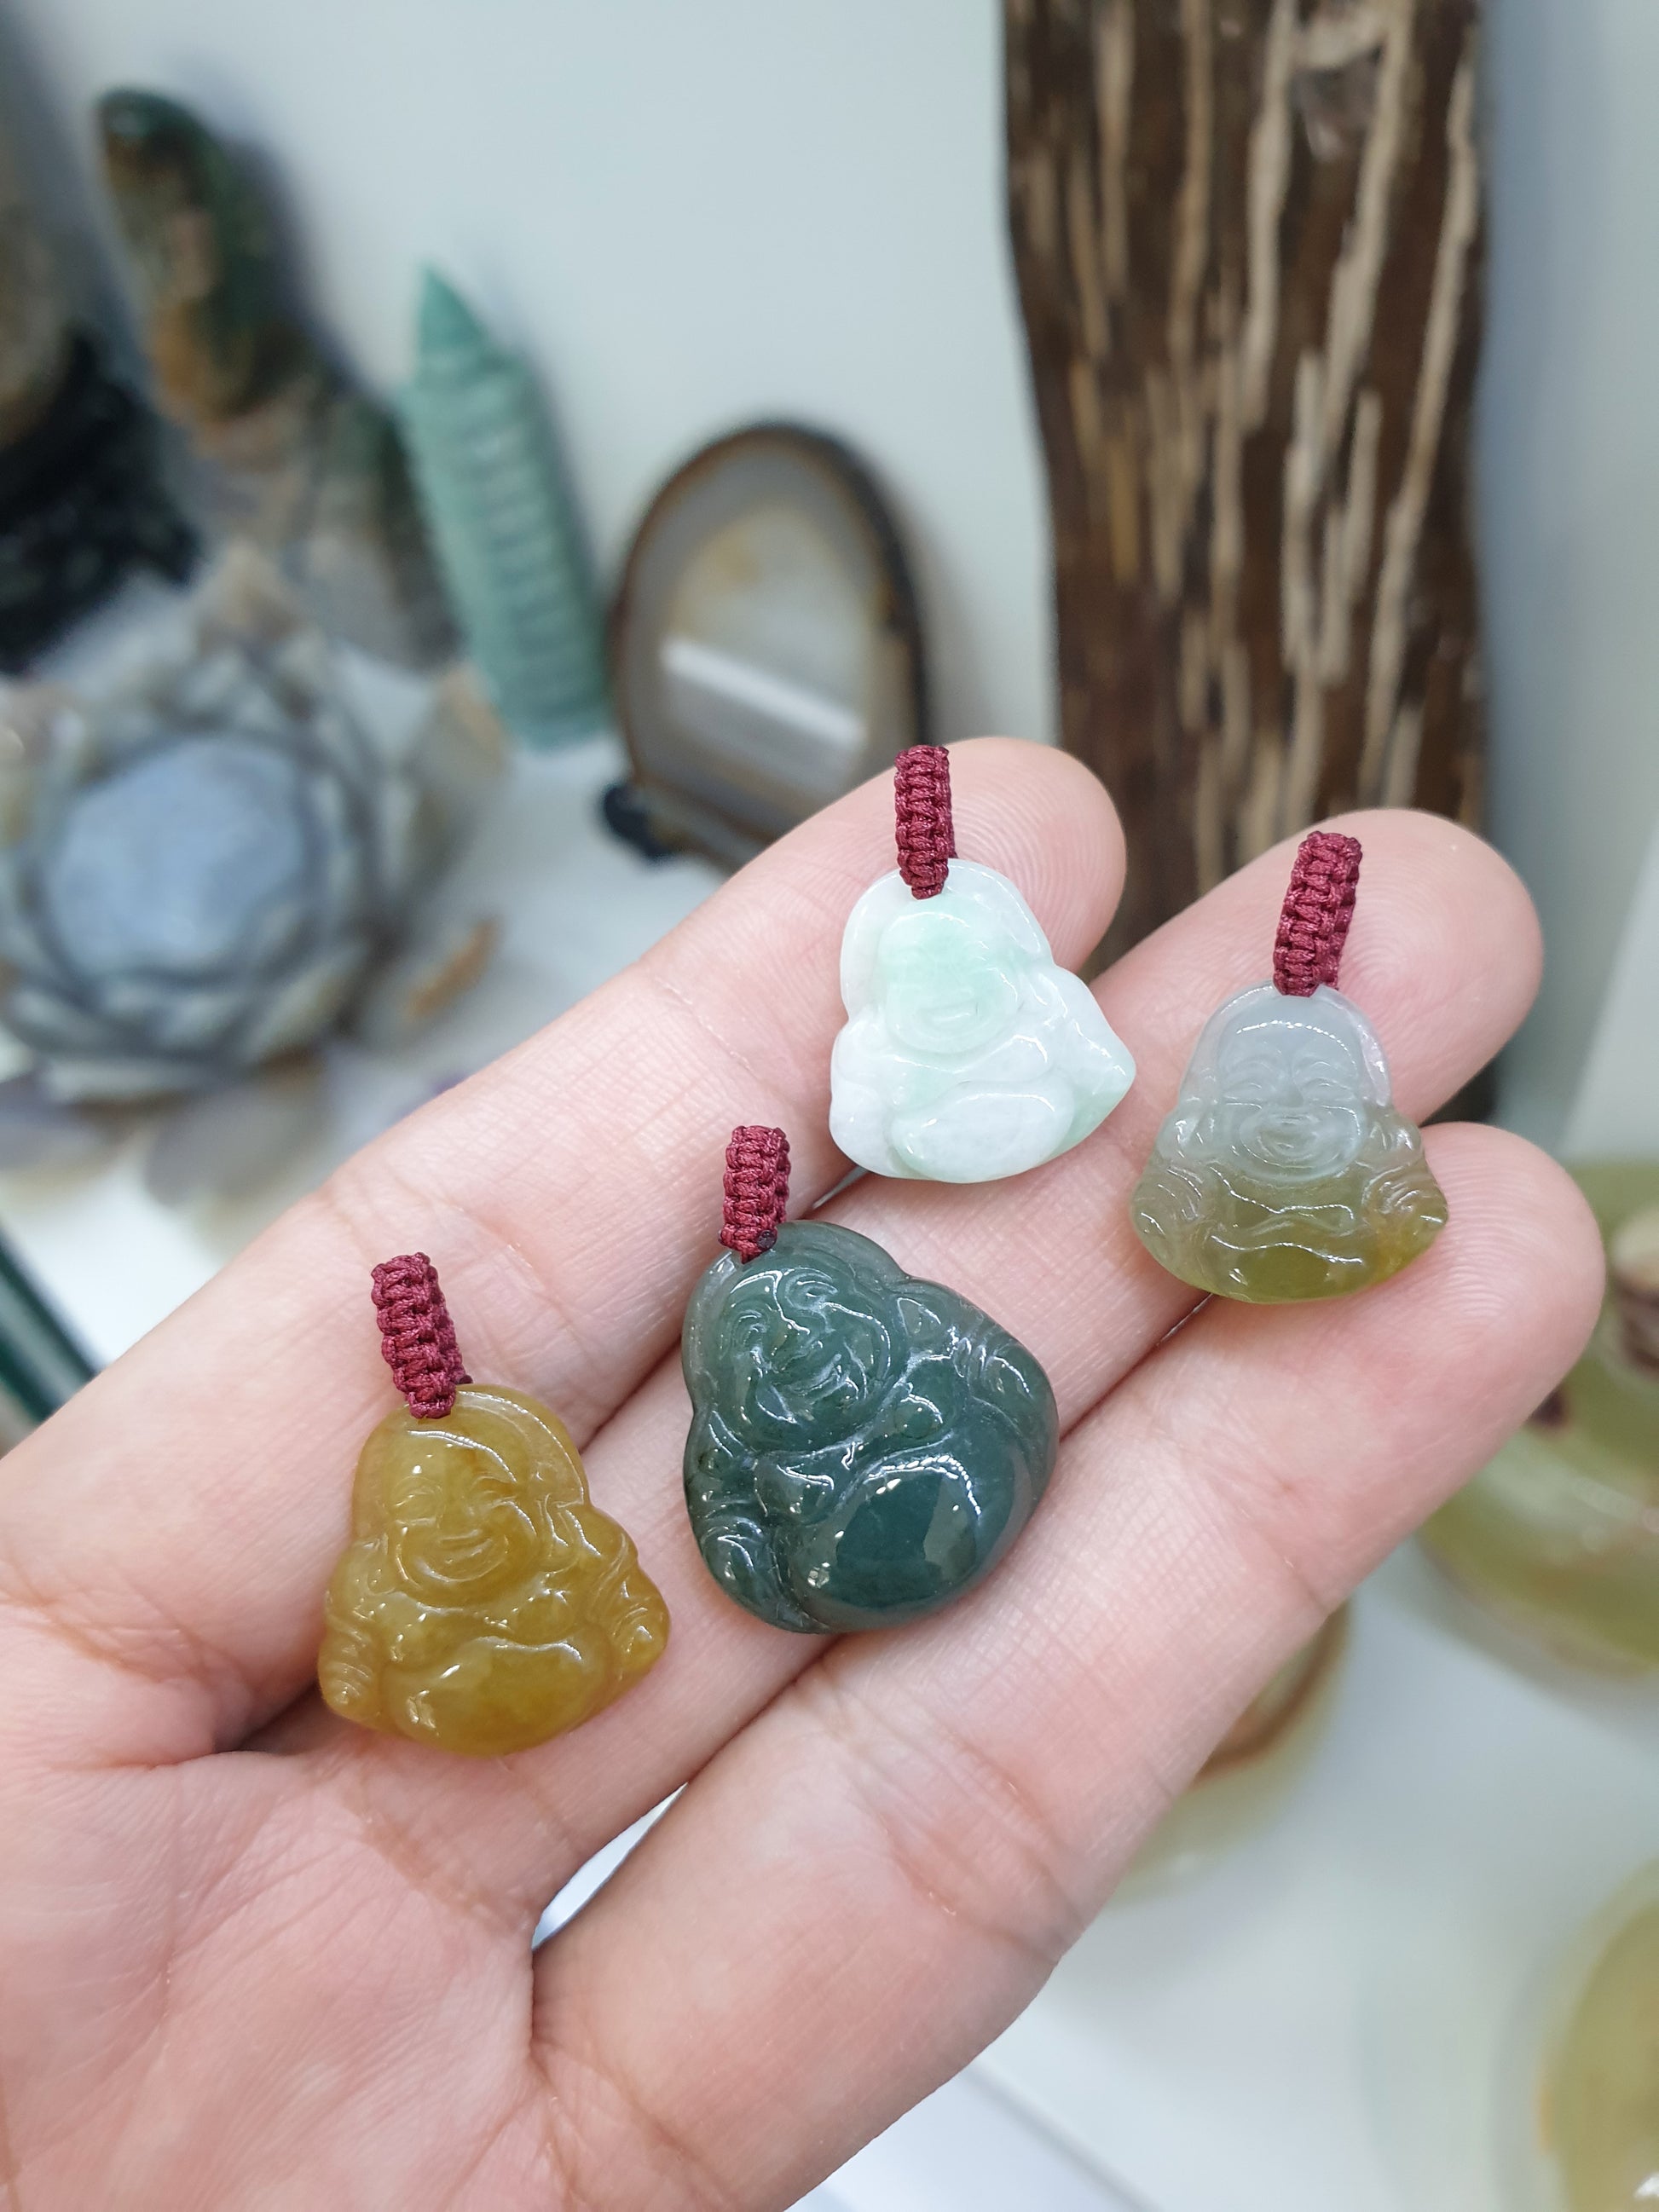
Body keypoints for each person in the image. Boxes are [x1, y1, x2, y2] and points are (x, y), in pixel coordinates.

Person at [0, 742, 1601, 2209]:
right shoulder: (590, 1502)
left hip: (960, 1435)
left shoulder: (967, 1276)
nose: (800, 1369)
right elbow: (599, 1584)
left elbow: (1010, 1347)